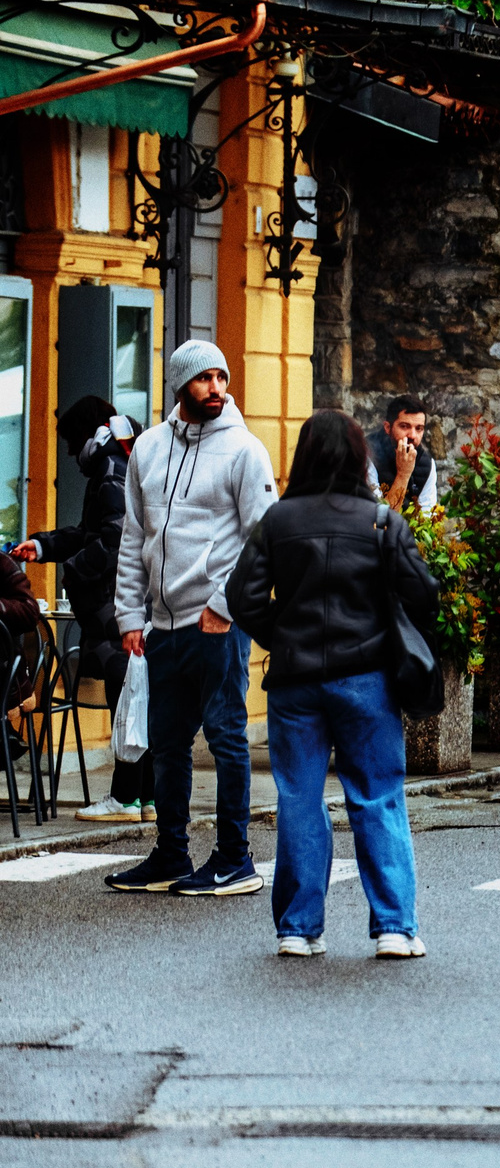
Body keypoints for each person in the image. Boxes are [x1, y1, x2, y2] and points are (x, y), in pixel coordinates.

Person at [225, 410, 439, 958]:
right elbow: (424, 594)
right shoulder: (381, 523)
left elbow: (241, 597)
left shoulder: (278, 521)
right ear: (359, 457)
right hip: (366, 677)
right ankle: (394, 926)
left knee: (299, 799)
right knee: (377, 797)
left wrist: (285, 635)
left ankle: (298, 929)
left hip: (295, 682)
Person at [105, 340, 277, 896]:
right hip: (161, 625)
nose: (217, 388)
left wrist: (225, 606)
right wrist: (131, 613)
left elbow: (264, 539)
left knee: (226, 737)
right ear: (180, 385)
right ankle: (171, 855)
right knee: (168, 742)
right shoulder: (149, 449)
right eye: (204, 379)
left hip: (218, 625)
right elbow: (134, 538)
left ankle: (234, 858)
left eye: (222, 378)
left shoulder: (246, 451)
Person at [14, 397, 147, 819]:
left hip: (112, 605)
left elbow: (111, 542)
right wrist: (43, 545)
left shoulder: (109, 471)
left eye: (72, 445)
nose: (72, 456)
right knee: (135, 699)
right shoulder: (123, 458)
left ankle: (126, 797)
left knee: (124, 698)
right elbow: (93, 533)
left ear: (89, 435)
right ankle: (145, 796)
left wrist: (71, 570)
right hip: (123, 603)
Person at [369, 396, 438, 512]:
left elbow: (427, 515)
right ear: (387, 427)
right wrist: (403, 474)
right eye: (404, 426)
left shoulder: (426, 463)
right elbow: (378, 518)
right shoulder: (368, 455)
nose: (412, 435)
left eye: (419, 428)